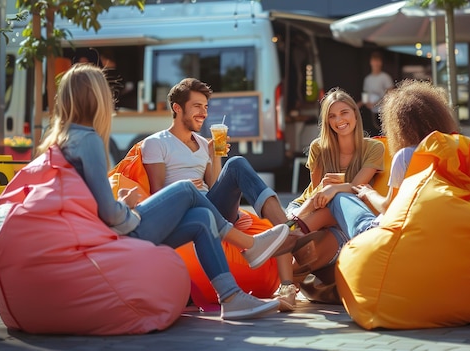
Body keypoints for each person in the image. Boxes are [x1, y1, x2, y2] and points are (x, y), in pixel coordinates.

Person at [37, 63, 291, 320]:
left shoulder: (59, 138)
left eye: (205, 107)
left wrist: (214, 156)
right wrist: (127, 207)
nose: (112, 101)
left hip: (190, 211)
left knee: (203, 218)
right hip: (126, 227)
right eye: (106, 93)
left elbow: (88, 201)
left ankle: (232, 298)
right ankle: (251, 245)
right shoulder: (96, 140)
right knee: (186, 190)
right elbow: (110, 211)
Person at [141, 78, 316, 312]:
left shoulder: (204, 144)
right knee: (218, 175)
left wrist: (215, 156)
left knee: (236, 163)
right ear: (177, 108)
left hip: (212, 209)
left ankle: (286, 236)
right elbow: (157, 195)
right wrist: (185, 187)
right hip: (183, 213)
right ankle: (271, 245)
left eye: (205, 107)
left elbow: (214, 187)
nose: (203, 113)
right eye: (197, 106)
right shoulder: (155, 143)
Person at [328, 79, 459, 239]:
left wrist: (368, 193)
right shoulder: (454, 149)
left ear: (399, 125)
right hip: (436, 229)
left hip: (390, 235)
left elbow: (389, 208)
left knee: (340, 198)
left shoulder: (405, 156)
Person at [282, 87, 386, 280]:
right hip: (308, 207)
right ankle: (287, 232)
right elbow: (315, 194)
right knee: (304, 241)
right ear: (327, 121)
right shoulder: (319, 147)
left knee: (305, 255)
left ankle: (283, 235)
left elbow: (357, 187)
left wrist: (335, 188)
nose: (339, 121)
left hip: (343, 215)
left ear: (355, 113)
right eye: (332, 116)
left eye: (344, 113)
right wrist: (324, 187)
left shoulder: (373, 147)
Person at [357, 51, 394, 136]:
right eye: (374, 61)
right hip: (372, 113)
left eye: (378, 61)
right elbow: (365, 94)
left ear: (381, 63)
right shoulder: (367, 79)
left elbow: (391, 93)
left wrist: (378, 102)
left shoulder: (385, 77)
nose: (376, 63)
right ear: (371, 62)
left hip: (384, 112)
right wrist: (364, 103)